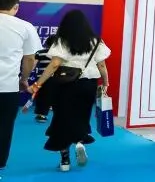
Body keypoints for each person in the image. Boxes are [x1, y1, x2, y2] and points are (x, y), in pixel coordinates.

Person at [29, 10, 110, 171]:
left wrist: (38, 84)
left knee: (62, 119)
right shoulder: (96, 41)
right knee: (81, 116)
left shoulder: (61, 40)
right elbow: (101, 65)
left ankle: (65, 160)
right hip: (88, 85)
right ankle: (79, 142)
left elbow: (54, 64)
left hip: (65, 84)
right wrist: (106, 83)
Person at [0, 0, 40, 176]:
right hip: (8, 86)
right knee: (4, 125)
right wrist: (24, 79)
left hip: (9, 86)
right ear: (16, 7)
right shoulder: (25, 26)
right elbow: (30, 58)